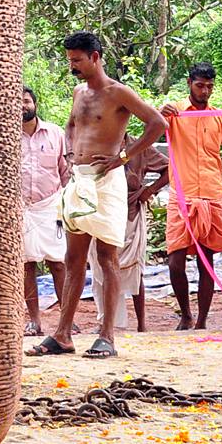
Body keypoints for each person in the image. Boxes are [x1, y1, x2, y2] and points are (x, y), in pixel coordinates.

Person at [27, 32, 166, 360]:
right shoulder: (78, 92)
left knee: (107, 257)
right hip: (80, 180)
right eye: (70, 60)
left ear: (96, 57)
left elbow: (157, 123)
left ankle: (107, 336)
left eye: (77, 60)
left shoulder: (118, 92)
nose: (72, 65)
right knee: (73, 260)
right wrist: (72, 153)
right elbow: (71, 125)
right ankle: (62, 335)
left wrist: (122, 157)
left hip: (109, 182)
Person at [160, 62, 222, 331]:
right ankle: (185, 314)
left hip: (213, 195)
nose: (205, 91)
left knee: (207, 260)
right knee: (175, 262)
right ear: (189, 83)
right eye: (200, 85)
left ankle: (202, 319)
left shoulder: (221, 116)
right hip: (181, 196)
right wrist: (159, 113)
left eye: (209, 87)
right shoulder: (175, 112)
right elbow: (151, 125)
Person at [88, 142, 168, 332]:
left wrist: (149, 190)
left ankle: (141, 324)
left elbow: (170, 169)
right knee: (100, 268)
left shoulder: (140, 146)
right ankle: (105, 322)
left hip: (130, 213)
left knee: (134, 269)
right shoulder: (98, 142)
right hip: (101, 213)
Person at [20, 86, 71, 337]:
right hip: (21, 208)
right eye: (17, 102)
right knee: (27, 265)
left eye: (27, 101)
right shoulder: (6, 135)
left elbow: (65, 170)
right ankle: (34, 321)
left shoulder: (55, 133)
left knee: (58, 262)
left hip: (52, 206)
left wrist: (67, 202)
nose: (23, 106)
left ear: (35, 104)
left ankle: (66, 320)